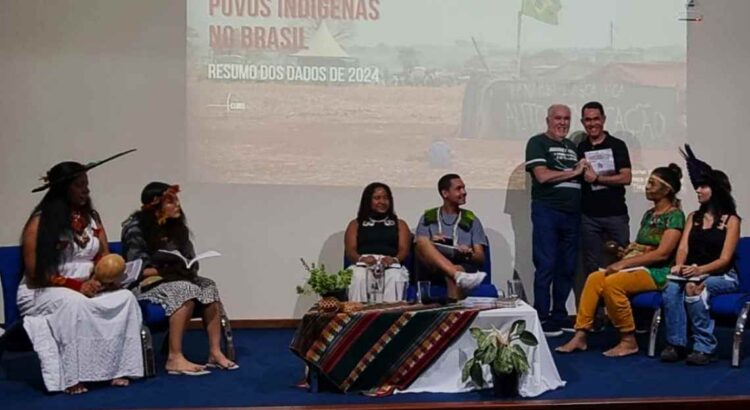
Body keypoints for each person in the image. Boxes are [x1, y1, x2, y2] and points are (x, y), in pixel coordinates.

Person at [17, 157, 144, 394]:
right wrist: (77, 286)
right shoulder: (40, 222)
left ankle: (116, 368)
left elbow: (104, 256)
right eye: (79, 185)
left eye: (86, 184)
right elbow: (35, 273)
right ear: (63, 189)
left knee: (125, 299)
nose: (86, 190)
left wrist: (104, 279)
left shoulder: (92, 219)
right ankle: (72, 375)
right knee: (74, 304)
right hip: (44, 290)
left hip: (88, 286)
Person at [556, 164, 685, 357]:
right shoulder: (649, 215)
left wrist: (625, 263)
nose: (647, 187)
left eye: (652, 183)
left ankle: (628, 340)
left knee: (613, 283)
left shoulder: (675, 216)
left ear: (666, 190)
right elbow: (644, 245)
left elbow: (662, 254)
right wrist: (629, 251)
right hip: (639, 266)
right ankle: (580, 334)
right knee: (594, 279)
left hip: (657, 271)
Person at [121, 182, 237, 375]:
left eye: (177, 201)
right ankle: (174, 358)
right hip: (146, 284)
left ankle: (215, 352)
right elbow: (137, 268)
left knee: (208, 286)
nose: (177, 205)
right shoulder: (136, 228)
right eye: (171, 201)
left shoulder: (178, 228)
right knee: (185, 289)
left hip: (176, 278)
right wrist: (166, 270)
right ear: (155, 204)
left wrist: (187, 267)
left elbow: (191, 260)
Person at [660, 164, 740, 365]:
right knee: (671, 288)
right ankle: (676, 344)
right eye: (697, 186)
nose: (698, 190)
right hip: (692, 270)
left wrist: (699, 270)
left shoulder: (731, 221)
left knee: (694, 287)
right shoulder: (693, 217)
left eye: (703, 187)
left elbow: (724, 259)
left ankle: (705, 346)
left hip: (722, 275)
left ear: (717, 190)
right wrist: (679, 265)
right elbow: (683, 248)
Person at [525, 104, 586, 336]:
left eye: (566, 119)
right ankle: (542, 316)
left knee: (567, 267)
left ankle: (559, 315)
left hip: (572, 214)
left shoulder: (572, 146)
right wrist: (574, 172)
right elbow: (542, 176)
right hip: (547, 211)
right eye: (558, 118)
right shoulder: (537, 142)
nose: (562, 123)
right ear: (548, 120)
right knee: (546, 265)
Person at [576, 101, 632, 289]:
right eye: (588, 120)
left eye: (596, 119)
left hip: (616, 215)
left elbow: (626, 177)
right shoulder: (581, 147)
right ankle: (596, 307)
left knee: (622, 261)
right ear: (582, 122)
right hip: (589, 217)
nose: (592, 124)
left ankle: (620, 305)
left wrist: (598, 178)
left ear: (604, 119)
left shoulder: (617, 145)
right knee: (591, 267)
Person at [415, 174, 487, 300]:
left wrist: (469, 253)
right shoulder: (428, 217)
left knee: (454, 272)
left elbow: (480, 257)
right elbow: (418, 251)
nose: (464, 192)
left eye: (464, 188)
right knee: (422, 241)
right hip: (433, 267)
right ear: (445, 193)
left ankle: (455, 276)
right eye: (458, 189)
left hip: (462, 264)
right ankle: (457, 275)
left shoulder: (471, 219)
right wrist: (432, 243)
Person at [346, 182, 411, 302]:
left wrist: (394, 260)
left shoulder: (400, 224)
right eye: (377, 198)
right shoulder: (355, 224)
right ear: (368, 201)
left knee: (395, 276)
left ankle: (391, 312)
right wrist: (362, 259)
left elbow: (404, 249)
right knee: (358, 276)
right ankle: (359, 311)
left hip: (390, 264)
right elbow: (350, 250)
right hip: (363, 263)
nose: (382, 201)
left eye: (386, 198)